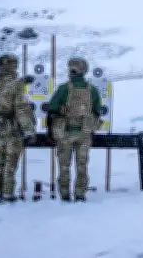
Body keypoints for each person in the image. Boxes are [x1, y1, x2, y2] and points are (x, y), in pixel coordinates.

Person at [46, 57, 103, 202]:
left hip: (65, 133)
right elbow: (98, 110)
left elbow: (52, 109)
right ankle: (80, 194)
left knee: (64, 166)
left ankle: (65, 194)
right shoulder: (93, 90)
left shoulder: (64, 88)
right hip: (84, 133)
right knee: (82, 165)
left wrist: (50, 130)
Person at [0, 53, 36, 203]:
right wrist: (29, 130)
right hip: (11, 128)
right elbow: (21, 109)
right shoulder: (16, 85)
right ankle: (8, 194)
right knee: (10, 162)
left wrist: (21, 82)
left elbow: (5, 92)